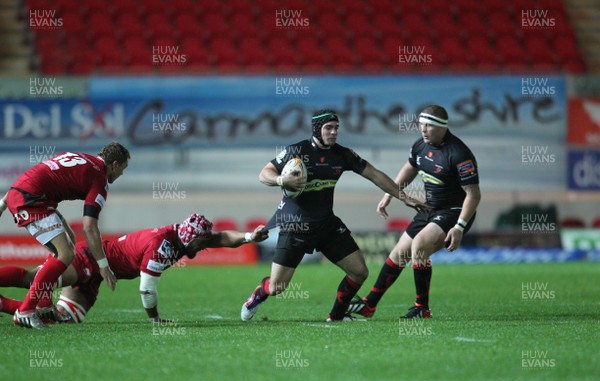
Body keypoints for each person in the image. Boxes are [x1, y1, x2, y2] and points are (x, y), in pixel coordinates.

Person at [240, 109, 428, 322]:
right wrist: (282, 181)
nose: (333, 132)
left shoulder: (343, 154)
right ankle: (259, 294)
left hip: (326, 225)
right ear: (316, 130)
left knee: (359, 272)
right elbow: (264, 173)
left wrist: (403, 197)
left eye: (336, 128)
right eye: (328, 128)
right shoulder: (297, 150)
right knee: (277, 287)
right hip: (295, 226)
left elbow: (374, 174)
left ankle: (336, 316)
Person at [0, 213, 268, 324]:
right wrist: (155, 319)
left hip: (99, 274)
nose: (204, 247)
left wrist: (248, 237)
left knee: (63, 317)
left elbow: (221, 238)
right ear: (190, 238)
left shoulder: (184, 236)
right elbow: (146, 289)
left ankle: (2, 305)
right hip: (89, 259)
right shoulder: (161, 246)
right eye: (201, 242)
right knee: (35, 281)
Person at [347, 105, 481, 318]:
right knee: (399, 253)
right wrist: (389, 195)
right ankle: (369, 304)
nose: (423, 130)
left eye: (428, 125)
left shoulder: (459, 154)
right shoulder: (420, 146)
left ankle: (422, 308)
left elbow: (473, 195)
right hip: (430, 209)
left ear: (442, 127)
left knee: (419, 246)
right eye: (421, 125)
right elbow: (409, 169)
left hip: (454, 212)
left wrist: (459, 227)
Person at [0, 142, 130, 328]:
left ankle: (43, 305)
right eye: (123, 169)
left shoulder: (79, 157)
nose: (121, 174)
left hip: (24, 194)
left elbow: (37, 172)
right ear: (115, 164)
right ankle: (25, 311)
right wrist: (103, 266)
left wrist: (3, 203)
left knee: (67, 247)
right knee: (66, 253)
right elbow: (89, 226)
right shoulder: (99, 180)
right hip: (32, 200)